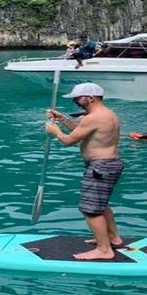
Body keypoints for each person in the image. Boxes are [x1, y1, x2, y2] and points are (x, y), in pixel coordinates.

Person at [45, 82, 124, 260]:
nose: (75, 102)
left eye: (77, 99)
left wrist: (55, 131)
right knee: (101, 205)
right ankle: (113, 237)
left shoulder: (92, 118)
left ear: (90, 98)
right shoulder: (109, 114)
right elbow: (83, 132)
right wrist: (63, 120)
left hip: (100, 167)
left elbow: (68, 141)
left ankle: (104, 250)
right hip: (110, 164)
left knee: (90, 210)